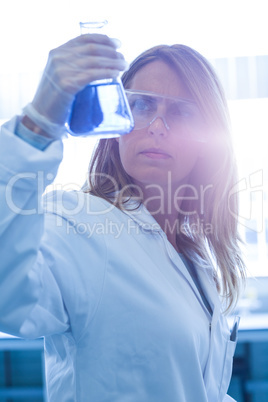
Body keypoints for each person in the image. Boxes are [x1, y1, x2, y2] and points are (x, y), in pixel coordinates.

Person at [0, 32, 246, 402]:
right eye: (143, 105)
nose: (157, 125)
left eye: (181, 111)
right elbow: (8, 297)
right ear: (117, 125)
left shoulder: (196, 259)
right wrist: (38, 123)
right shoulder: (77, 223)